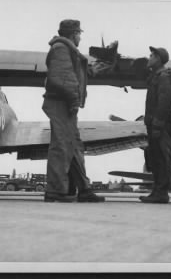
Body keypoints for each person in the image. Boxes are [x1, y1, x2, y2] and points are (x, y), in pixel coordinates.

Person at [42, 19, 105, 203]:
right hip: (61, 104)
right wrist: (74, 101)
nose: (80, 37)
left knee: (74, 145)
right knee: (61, 145)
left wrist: (93, 70)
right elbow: (62, 79)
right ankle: (54, 190)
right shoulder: (61, 48)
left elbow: (72, 73)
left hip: (64, 104)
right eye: (79, 33)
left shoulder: (66, 49)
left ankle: (84, 189)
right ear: (72, 34)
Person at [139, 47, 171, 204]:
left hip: (161, 126)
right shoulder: (157, 76)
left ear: (158, 59)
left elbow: (164, 102)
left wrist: (157, 125)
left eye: (152, 56)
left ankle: (161, 193)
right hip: (156, 125)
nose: (149, 58)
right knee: (155, 158)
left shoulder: (163, 77)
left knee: (162, 158)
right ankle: (157, 191)